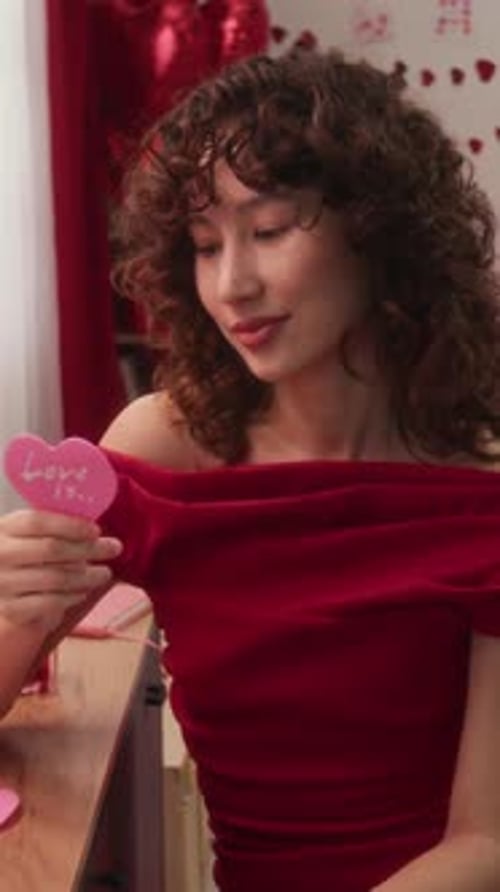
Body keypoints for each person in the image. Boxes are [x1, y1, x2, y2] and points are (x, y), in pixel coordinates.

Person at [1, 47, 500, 892]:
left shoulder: (480, 498)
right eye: (203, 245)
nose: (231, 284)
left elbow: (484, 845)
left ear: (379, 235)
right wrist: (12, 611)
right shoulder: (167, 450)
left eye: (268, 232)